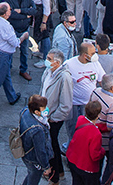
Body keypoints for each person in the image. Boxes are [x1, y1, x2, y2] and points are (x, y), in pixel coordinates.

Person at [41, 49, 74, 182]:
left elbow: (65, 104)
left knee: (51, 145)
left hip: (54, 118)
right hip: (45, 115)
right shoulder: (48, 71)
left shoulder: (65, 77)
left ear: (57, 62)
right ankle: (58, 171)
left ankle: (55, 176)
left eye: (49, 59)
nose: (47, 60)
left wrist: (53, 118)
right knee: (52, 143)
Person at [66, 99, 106, 185]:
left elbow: (88, 126)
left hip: (73, 159)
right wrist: (103, 151)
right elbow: (95, 156)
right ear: (98, 115)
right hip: (87, 167)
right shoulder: (96, 133)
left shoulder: (80, 119)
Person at [19, 95, 54, 185]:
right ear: (37, 112)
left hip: (26, 154)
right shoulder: (38, 130)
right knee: (33, 179)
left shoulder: (26, 111)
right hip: (33, 159)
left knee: (31, 174)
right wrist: (46, 167)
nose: (46, 109)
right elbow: (40, 151)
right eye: (44, 108)